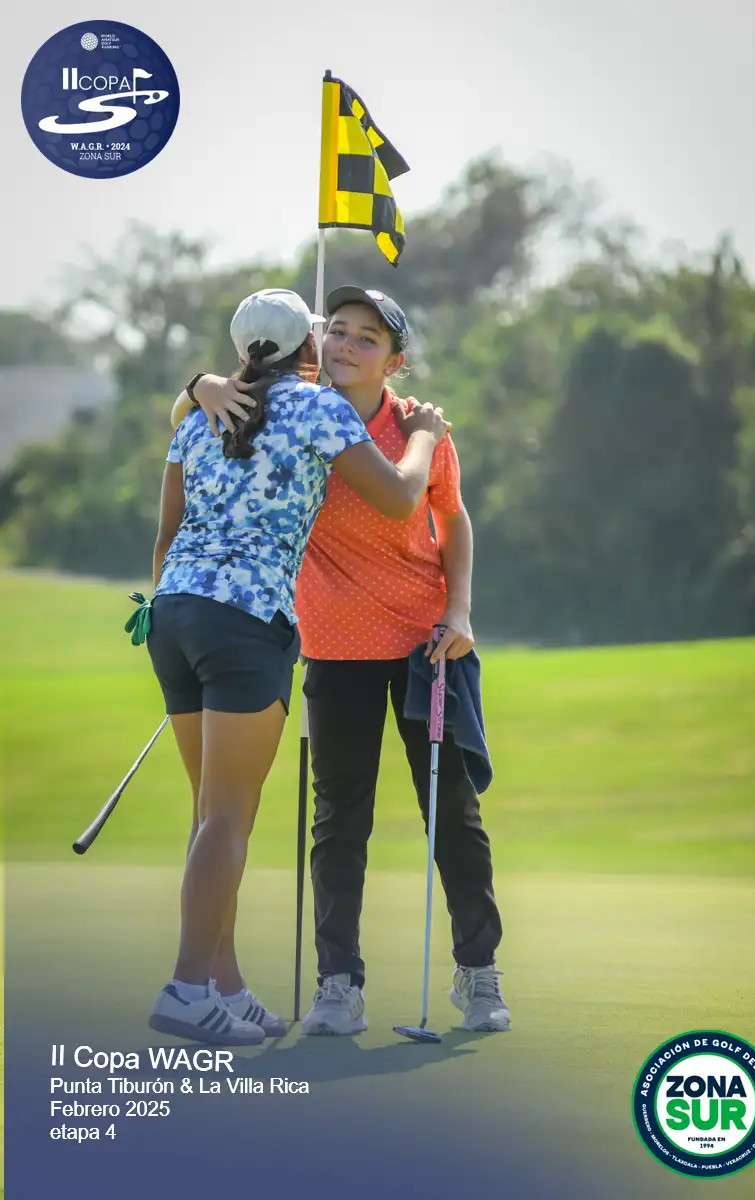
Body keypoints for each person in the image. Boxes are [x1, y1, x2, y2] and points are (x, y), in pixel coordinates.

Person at [173, 286, 511, 1036]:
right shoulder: (288, 412)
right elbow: (197, 424)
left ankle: (479, 971)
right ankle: (338, 985)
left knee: (452, 815)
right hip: (333, 642)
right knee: (339, 820)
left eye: (368, 339)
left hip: (427, 642)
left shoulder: (418, 426)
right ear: (315, 342)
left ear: (395, 361)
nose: (347, 346)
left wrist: (459, 611)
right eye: (339, 332)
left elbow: (451, 519)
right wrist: (200, 384)